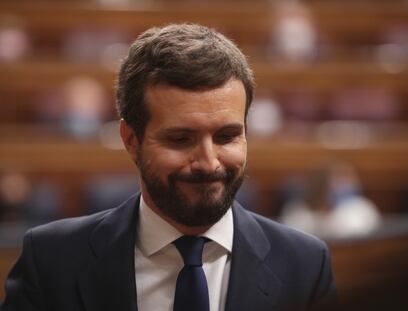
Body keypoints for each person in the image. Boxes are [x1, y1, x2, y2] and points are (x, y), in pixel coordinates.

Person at [2, 24, 338, 311]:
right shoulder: (51, 261)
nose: (208, 162)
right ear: (131, 140)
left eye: (227, 136)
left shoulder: (305, 266)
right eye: (180, 139)